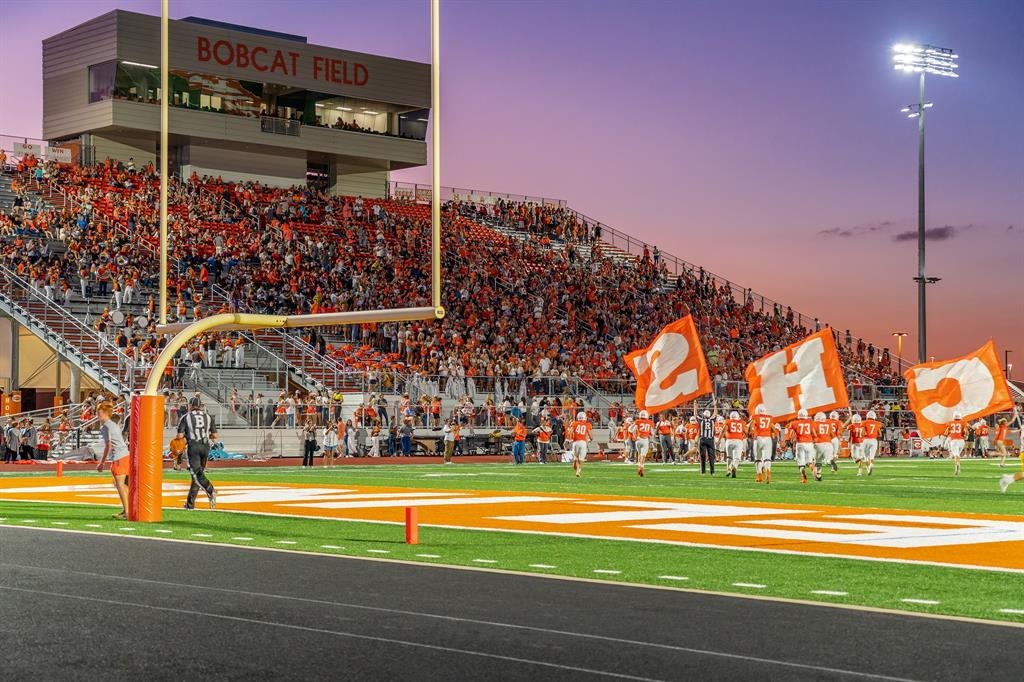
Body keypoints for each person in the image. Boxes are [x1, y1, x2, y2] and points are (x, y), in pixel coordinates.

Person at [178, 396, 218, 510]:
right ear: (200, 406)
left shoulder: (186, 417)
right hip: (205, 446)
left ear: (190, 406)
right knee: (196, 475)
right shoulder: (208, 417)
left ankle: (210, 490)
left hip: (193, 446)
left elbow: (180, 436)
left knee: (196, 474)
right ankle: (190, 504)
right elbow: (215, 436)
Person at [95, 403, 130, 520]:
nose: (97, 414)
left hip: (119, 457)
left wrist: (101, 462)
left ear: (105, 413)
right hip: (123, 455)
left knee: (120, 485)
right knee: (120, 484)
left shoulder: (106, 427)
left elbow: (108, 445)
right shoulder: (112, 425)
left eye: (99, 412)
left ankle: (127, 511)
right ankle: (128, 508)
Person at [786, 408, 816, 484]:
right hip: (809, 443)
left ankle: (804, 478)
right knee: (809, 461)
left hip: (800, 443)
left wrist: (791, 441)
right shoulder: (811, 422)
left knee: (801, 462)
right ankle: (812, 467)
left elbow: (791, 433)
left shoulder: (794, 423)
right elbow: (814, 433)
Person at [748, 405, 776, 483]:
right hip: (768, 439)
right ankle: (768, 471)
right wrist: (774, 435)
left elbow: (752, 426)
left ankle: (759, 475)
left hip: (759, 438)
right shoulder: (769, 418)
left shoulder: (755, 417)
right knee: (767, 458)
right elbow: (774, 428)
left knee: (758, 458)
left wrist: (752, 432)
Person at [694, 402, 718, 475]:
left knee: (703, 456)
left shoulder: (701, 421)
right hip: (710, 439)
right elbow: (715, 414)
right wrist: (715, 405)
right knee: (711, 456)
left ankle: (703, 471)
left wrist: (695, 406)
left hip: (703, 439)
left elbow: (695, 415)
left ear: (704, 415)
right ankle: (712, 472)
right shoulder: (712, 420)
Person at [943, 411, 968, 477]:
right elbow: (966, 432)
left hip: (954, 440)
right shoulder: (963, 423)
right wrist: (965, 436)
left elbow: (945, 433)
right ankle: (957, 466)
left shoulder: (950, 423)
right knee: (958, 455)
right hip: (961, 441)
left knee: (956, 455)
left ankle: (958, 467)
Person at [722, 410, 746, 478]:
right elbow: (747, 432)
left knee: (729, 457)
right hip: (738, 441)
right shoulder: (742, 422)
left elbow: (724, 431)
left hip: (729, 441)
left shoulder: (728, 421)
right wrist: (743, 436)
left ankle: (728, 470)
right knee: (737, 458)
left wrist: (719, 440)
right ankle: (734, 467)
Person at [568, 411, 591, 478]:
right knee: (582, 459)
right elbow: (590, 434)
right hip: (583, 442)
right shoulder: (587, 424)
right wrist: (591, 439)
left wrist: (570, 439)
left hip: (575, 442)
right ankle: (578, 471)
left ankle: (575, 460)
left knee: (576, 456)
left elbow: (570, 431)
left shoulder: (574, 423)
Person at [861, 410, 883, 476]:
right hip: (874, 440)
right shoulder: (878, 423)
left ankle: (868, 469)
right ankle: (871, 465)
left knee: (866, 457)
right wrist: (874, 435)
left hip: (866, 440)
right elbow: (880, 435)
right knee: (872, 457)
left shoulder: (864, 422)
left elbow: (862, 433)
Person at [633, 409, 654, 477]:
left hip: (638, 440)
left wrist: (634, 436)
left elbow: (632, 430)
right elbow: (652, 433)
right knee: (643, 455)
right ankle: (641, 467)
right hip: (645, 440)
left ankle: (639, 465)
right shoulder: (650, 422)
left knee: (639, 454)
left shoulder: (637, 421)